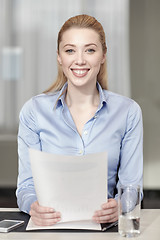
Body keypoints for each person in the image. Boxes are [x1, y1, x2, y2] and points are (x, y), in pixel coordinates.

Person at [16, 14, 143, 226]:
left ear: (103, 55)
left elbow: (132, 187)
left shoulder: (128, 112)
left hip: (104, 229)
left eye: (90, 50)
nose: (80, 60)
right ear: (59, 57)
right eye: (70, 50)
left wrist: (120, 205)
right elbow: (26, 186)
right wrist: (32, 206)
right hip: (49, 228)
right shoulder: (34, 111)